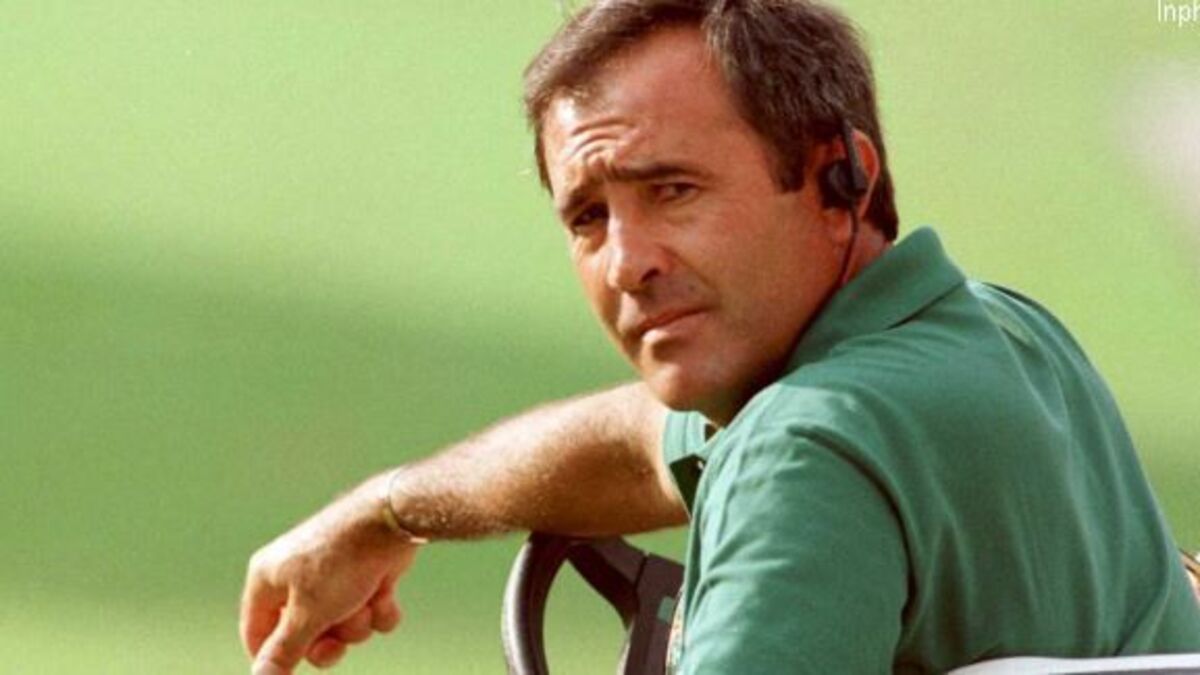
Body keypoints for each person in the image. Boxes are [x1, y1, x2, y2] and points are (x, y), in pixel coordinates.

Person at [239, 1, 1200, 673]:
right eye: (588, 217)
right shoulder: (1003, 334)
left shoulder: (805, 452)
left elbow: (784, 456)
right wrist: (383, 512)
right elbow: (630, 444)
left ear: (841, 181)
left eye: (672, 190)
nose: (626, 262)